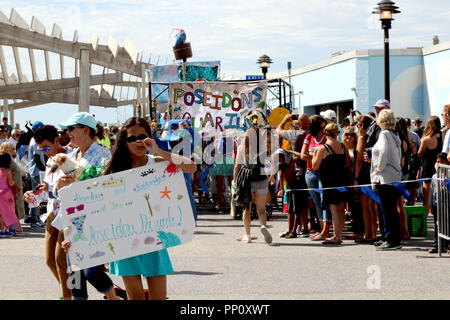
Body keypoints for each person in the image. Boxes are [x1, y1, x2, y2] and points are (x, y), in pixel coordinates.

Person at [103, 117, 196, 300]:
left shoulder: (158, 161)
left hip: (154, 240)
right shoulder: (115, 170)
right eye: (131, 138)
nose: (138, 141)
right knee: (135, 298)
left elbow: (191, 167)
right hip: (125, 240)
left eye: (142, 136)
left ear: (150, 137)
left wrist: (158, 150)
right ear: (124, 141)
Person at [56, 112, 118, 300]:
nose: (68, 133)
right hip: (71, 220)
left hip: (94, 220)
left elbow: (104, 183)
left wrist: (75, 181)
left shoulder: (102, 153)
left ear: (85, 130)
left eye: (71, 129)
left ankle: (114, 298)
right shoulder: (71, 154)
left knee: (91, 272)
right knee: (74, 277)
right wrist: (59, 185)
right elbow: (58, 187)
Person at [23, 125, 72, 299]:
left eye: (46, 147)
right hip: (52, 214)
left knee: (61, 260)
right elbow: (47, 192)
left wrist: (49, 188)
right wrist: (32, 196)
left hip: (68, 214)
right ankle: (70, 292)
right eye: (41, 149)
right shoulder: (50, 162)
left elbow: (69, 188)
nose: (44, 152)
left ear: (56, 140)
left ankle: (69, 295)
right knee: (50, 260)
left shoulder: (70, 157)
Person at [233, 112, 273, 244]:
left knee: (247, 209)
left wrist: (235, 181)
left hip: (247, 181)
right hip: (261, 179)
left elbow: (237, 166)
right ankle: (263, 226)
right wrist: (271, 176)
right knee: (261, 210)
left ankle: (247, 235)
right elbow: (270, 163)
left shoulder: (241, 148)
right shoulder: (263, 147)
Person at [312, 122, 351, 244]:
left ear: (326, 133)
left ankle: (336, 236)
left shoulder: (323, 148)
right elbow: (348, 164)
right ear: (336, 133)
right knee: (341, 208)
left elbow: (315, 166)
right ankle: (338, 235)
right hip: (342, 180)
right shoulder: (342, 146)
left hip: (329, 181)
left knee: (333, 208)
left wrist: (314, 154)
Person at [371, 109, 403, 250]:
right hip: (394, 176)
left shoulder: (384, 134)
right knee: (390, 209)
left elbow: (383, 152)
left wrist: (379, 166)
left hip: (385, 177)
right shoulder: (395, 135)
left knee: (387, 210)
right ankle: (389, 237)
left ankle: (391, 239)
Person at [276, 113, 310, 238]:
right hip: (309, 169)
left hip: (297, 171)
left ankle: (295, 229)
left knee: (294, 203)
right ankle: (302, 228)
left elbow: (278, 130)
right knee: (302, 202)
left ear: (299, 124)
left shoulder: (294, 134)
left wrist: (284, 120)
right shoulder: (312, 134)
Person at [301, 115, 331, 241]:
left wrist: (313, 155)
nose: (323, 129)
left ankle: (326, 230)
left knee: (325, 200)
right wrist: (317, 156)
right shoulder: (309, 137)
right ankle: (322, 229)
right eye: (322, 126)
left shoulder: (327, 137)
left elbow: (328, 156)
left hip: (324, 173)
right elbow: (303, 155)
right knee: (316, 202)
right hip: (310, 173)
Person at [354, 115, 378, 244]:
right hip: (372, 173)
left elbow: (358, 160)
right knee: (372, 205)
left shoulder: (362, 138)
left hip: (364, 173)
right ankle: (372, 232)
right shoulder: (373, 138)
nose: (357, 128)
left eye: (358, 125)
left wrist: (355, 177)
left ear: (362, 126)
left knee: (366, 206)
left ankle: (369, 234)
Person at [342, 126, 364, 240]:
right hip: (347, 179)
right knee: (351, 205)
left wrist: (355, 179)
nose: (349, 136)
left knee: (357, 205)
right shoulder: (343, 147)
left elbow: (359, 163)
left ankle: (359, 231)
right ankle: (357, 229)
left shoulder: (357, 147)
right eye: (346, 134)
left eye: (351, 134)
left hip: (356, 178)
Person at [417, 116, 442, 214]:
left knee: (426, 197)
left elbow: (419, 153)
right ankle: (437, 217)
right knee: (439, 195)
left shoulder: (426, 139)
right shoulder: (442, 136)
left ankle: (425, 219)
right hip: (438, 168)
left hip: (427, 168)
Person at [0, 142, 25, 234]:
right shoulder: (7, 160)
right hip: (10, 189)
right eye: (12, 148)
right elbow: (9, 177)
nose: (14, 150)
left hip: (8, 189)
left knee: (5, 210)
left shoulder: (8, 159)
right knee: (10, 209)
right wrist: (16, 185)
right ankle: (11, 227)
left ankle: (5, 228)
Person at [26, 121, 46, 228]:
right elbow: (37, 159)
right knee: (36, 196)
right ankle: (35, 220)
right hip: (36, 172)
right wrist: (45, 170)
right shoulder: (36, 142)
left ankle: (34, 217)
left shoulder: (34, 140)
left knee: (36, 196)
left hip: (34, 171)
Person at [429, 152, 449, 254]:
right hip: (437, 204)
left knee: (447, 225)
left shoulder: (448, 175)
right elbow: (432, 191)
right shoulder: (434, 176)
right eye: (437, 162)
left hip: (447, 204)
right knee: (437, 225)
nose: (438, 165)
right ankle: (437, 244)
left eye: (441, 162)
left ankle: (448, 246)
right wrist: (431, 204)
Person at [0, 153, 20, 238]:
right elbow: (11, 183)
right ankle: (11, 228)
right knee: (10, 211)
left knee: (0, 213)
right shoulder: (8, 171)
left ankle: (2, 230)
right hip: (7, 193)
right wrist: (17, 185)